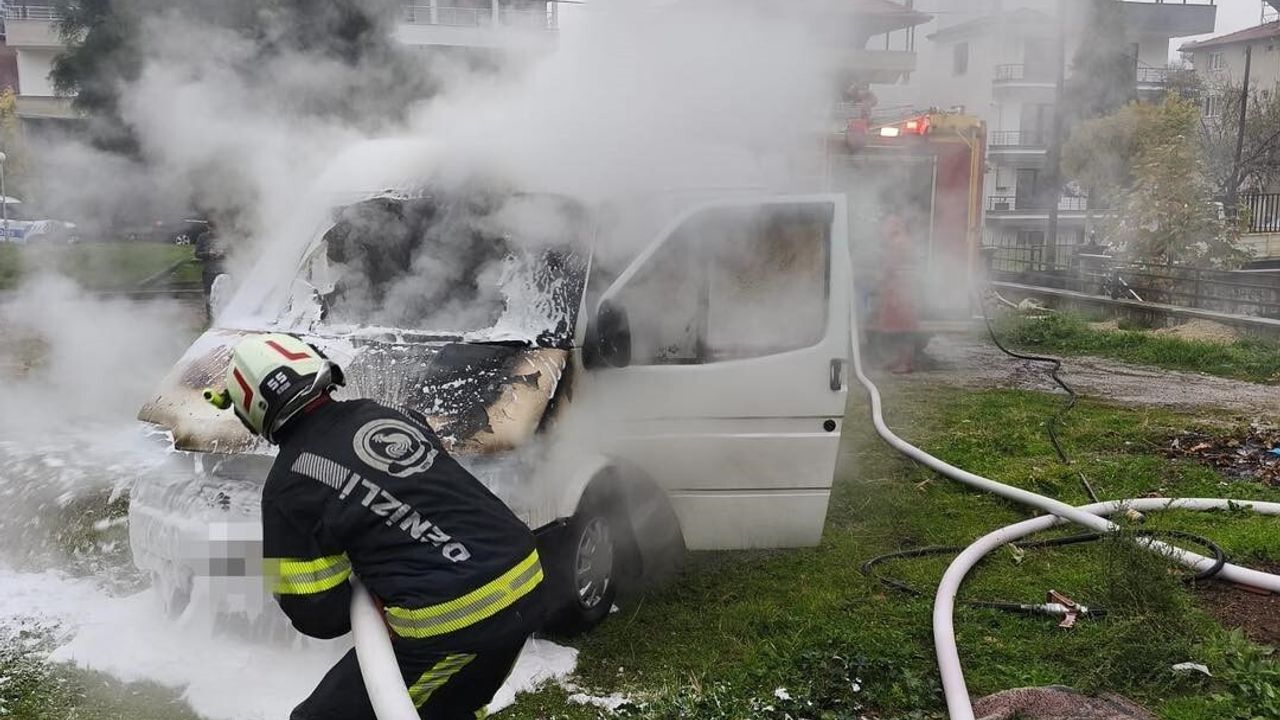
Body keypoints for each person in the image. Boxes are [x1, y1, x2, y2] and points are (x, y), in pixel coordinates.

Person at [205, 333, 545, 720]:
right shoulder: (386, 414)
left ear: (251, 412)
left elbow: (317, 613)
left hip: (460, 616)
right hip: (525, 574)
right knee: (445, 704)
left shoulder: (289, 485)